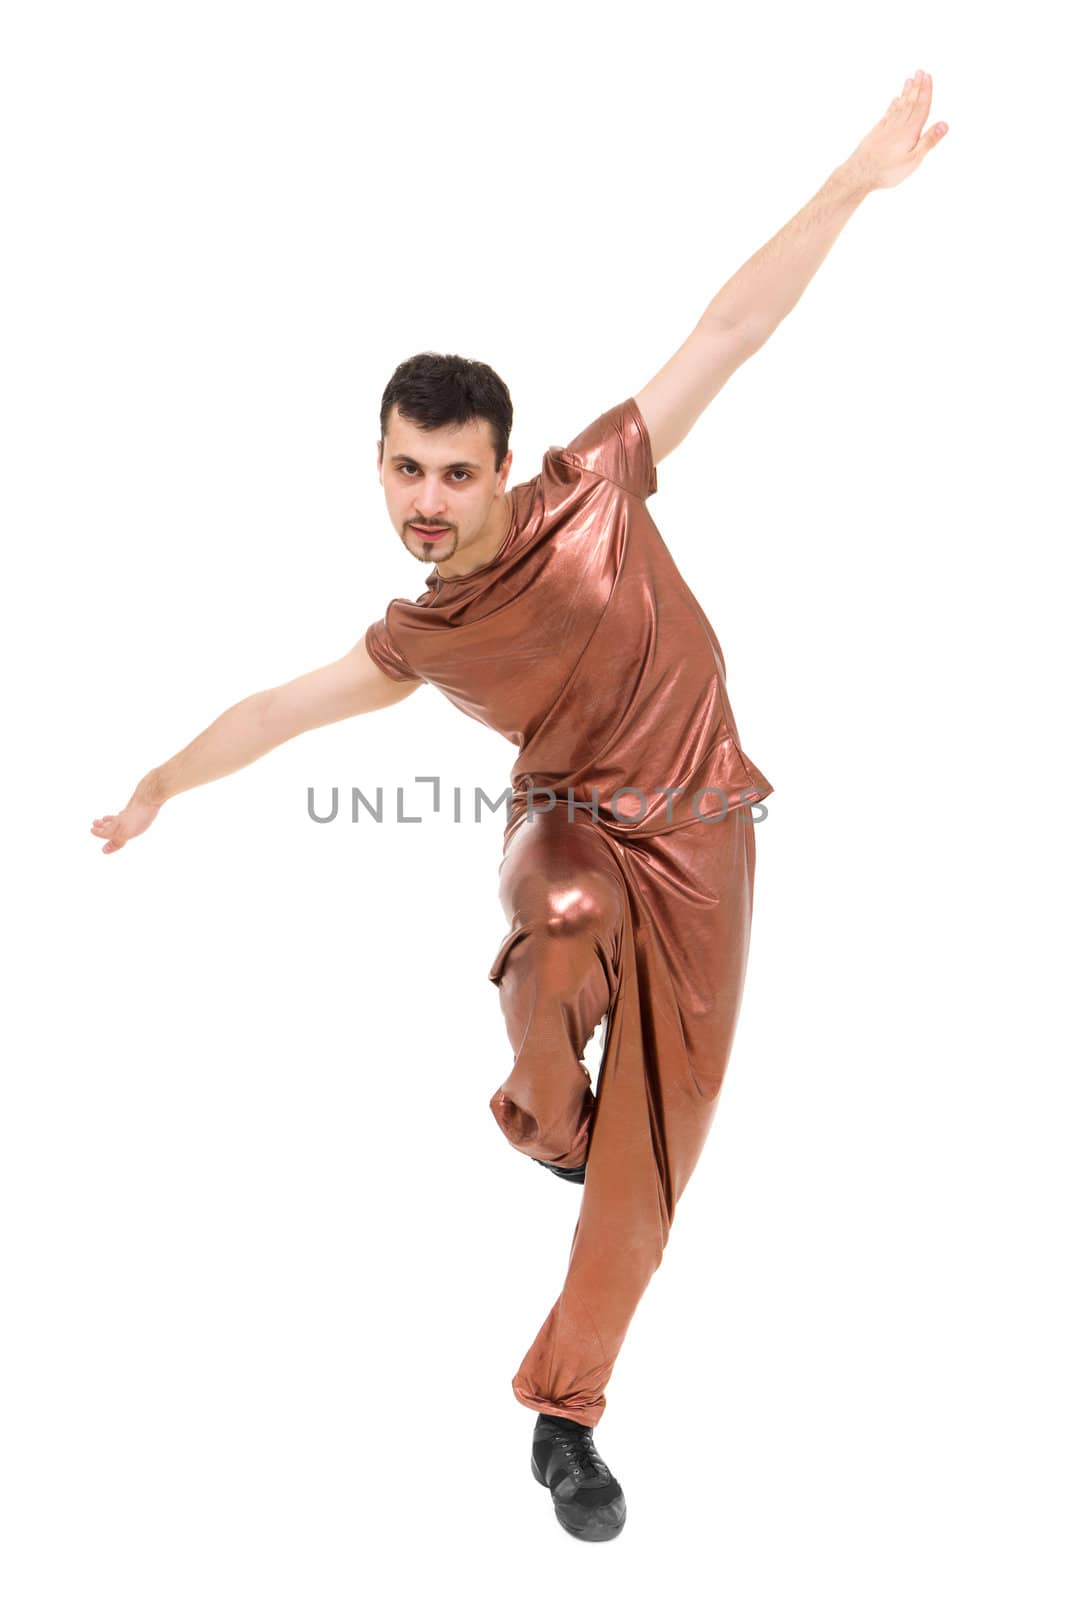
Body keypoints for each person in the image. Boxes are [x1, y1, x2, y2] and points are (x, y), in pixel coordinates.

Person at [90, 74, 947, 1542]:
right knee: (556, 921)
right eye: (405, 472)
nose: (428, 500)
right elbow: (280, 709)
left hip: (705, 831)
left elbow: (732, 327)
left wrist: (853, 185)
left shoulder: (600, 486)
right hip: (566, 828)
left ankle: (566, 1412)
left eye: (454, 474)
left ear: (503, 464)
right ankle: (546, 1115)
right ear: (380, 466)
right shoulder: (418, 635)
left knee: (664, 1151)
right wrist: (164, 780)